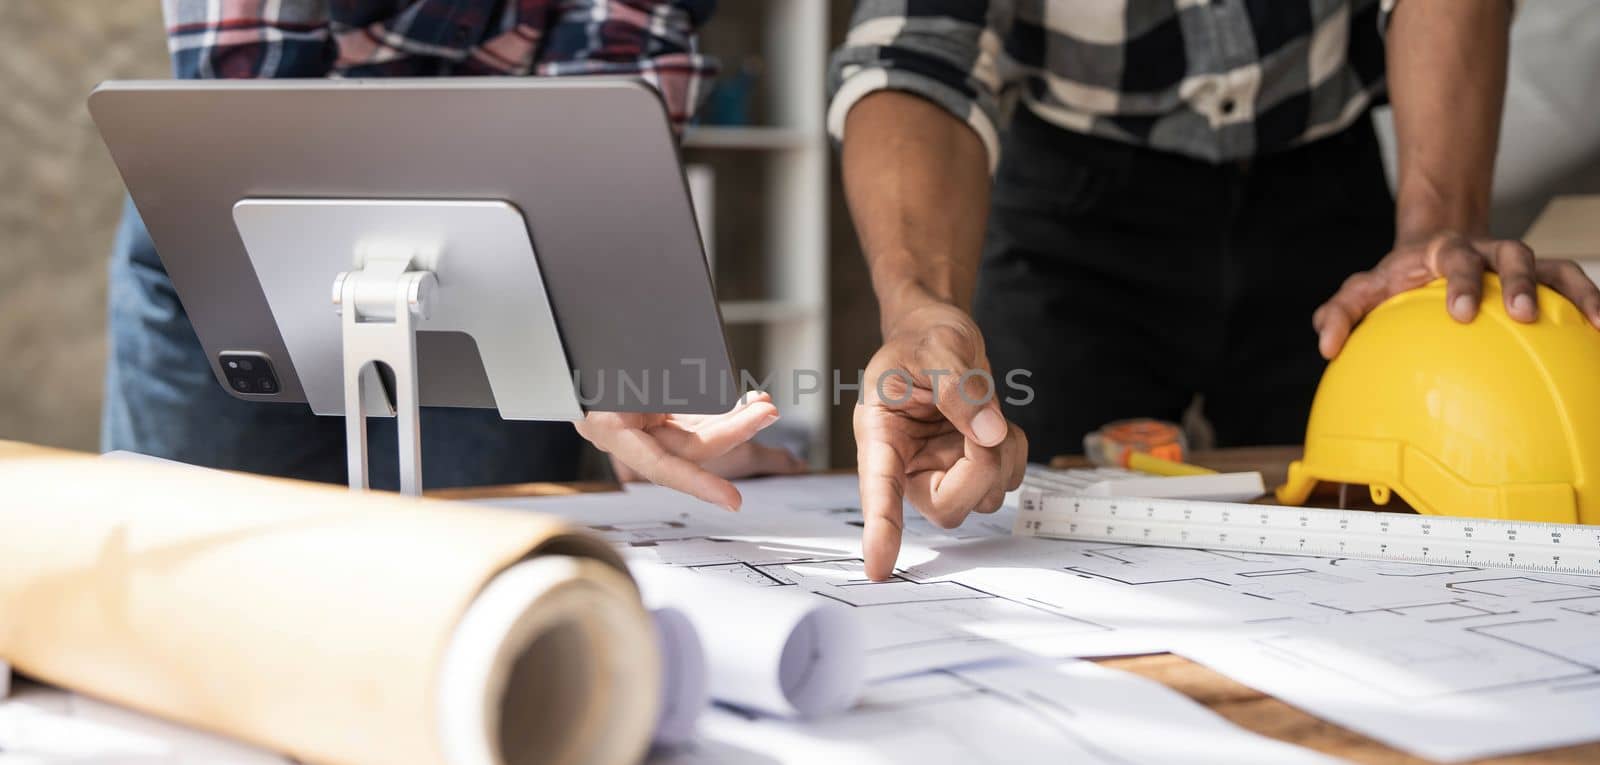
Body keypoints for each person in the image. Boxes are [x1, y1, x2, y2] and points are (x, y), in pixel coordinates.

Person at [829, 0, 1600, 579]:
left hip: (1323, 175)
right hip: (1075, 196)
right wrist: (921, 307)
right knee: (1013, 505)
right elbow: (919, 49)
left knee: (1373, 534)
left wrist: (1434, 231)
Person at [105, 0, 801, 509]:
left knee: (464, 586)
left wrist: (609, 371)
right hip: (238, 223)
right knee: (199, 573)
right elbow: (245, 115)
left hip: (504, 242)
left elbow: (605, 107)